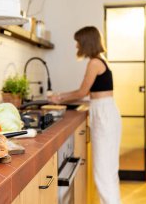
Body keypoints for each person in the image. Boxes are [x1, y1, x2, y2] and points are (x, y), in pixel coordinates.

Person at [48, 26, 122, 204]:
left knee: (103, 175)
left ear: (86, 42)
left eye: (78, 42)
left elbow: (83, 91)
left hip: (104, 116)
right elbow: (95, 95)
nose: (76, 46)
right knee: (108, 173)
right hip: (105, 112)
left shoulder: (94, 63)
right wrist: (63, 98)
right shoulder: (100, 60)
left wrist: (59, 97)